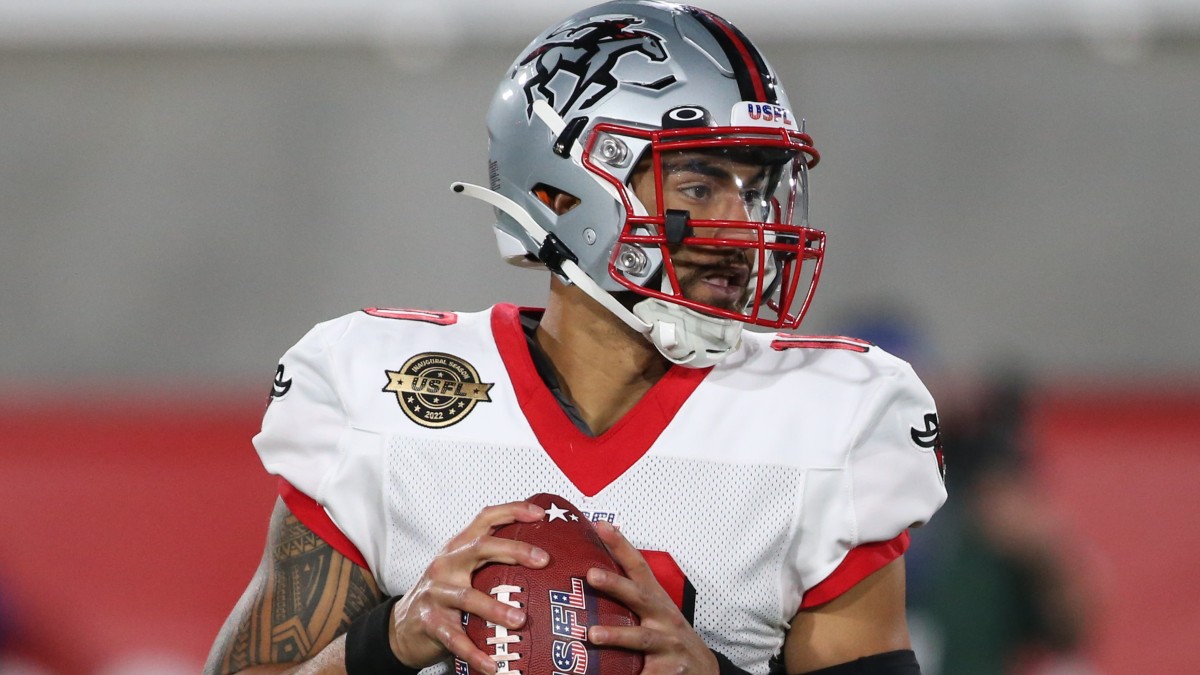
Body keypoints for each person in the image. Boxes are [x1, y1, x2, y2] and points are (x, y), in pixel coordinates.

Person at [205, 2, 947, 674]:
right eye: (700, 186)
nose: (746, 227)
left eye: (755, 190)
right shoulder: (382, 392)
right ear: (561, 194)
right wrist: (390, 639)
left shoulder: (827, 418)